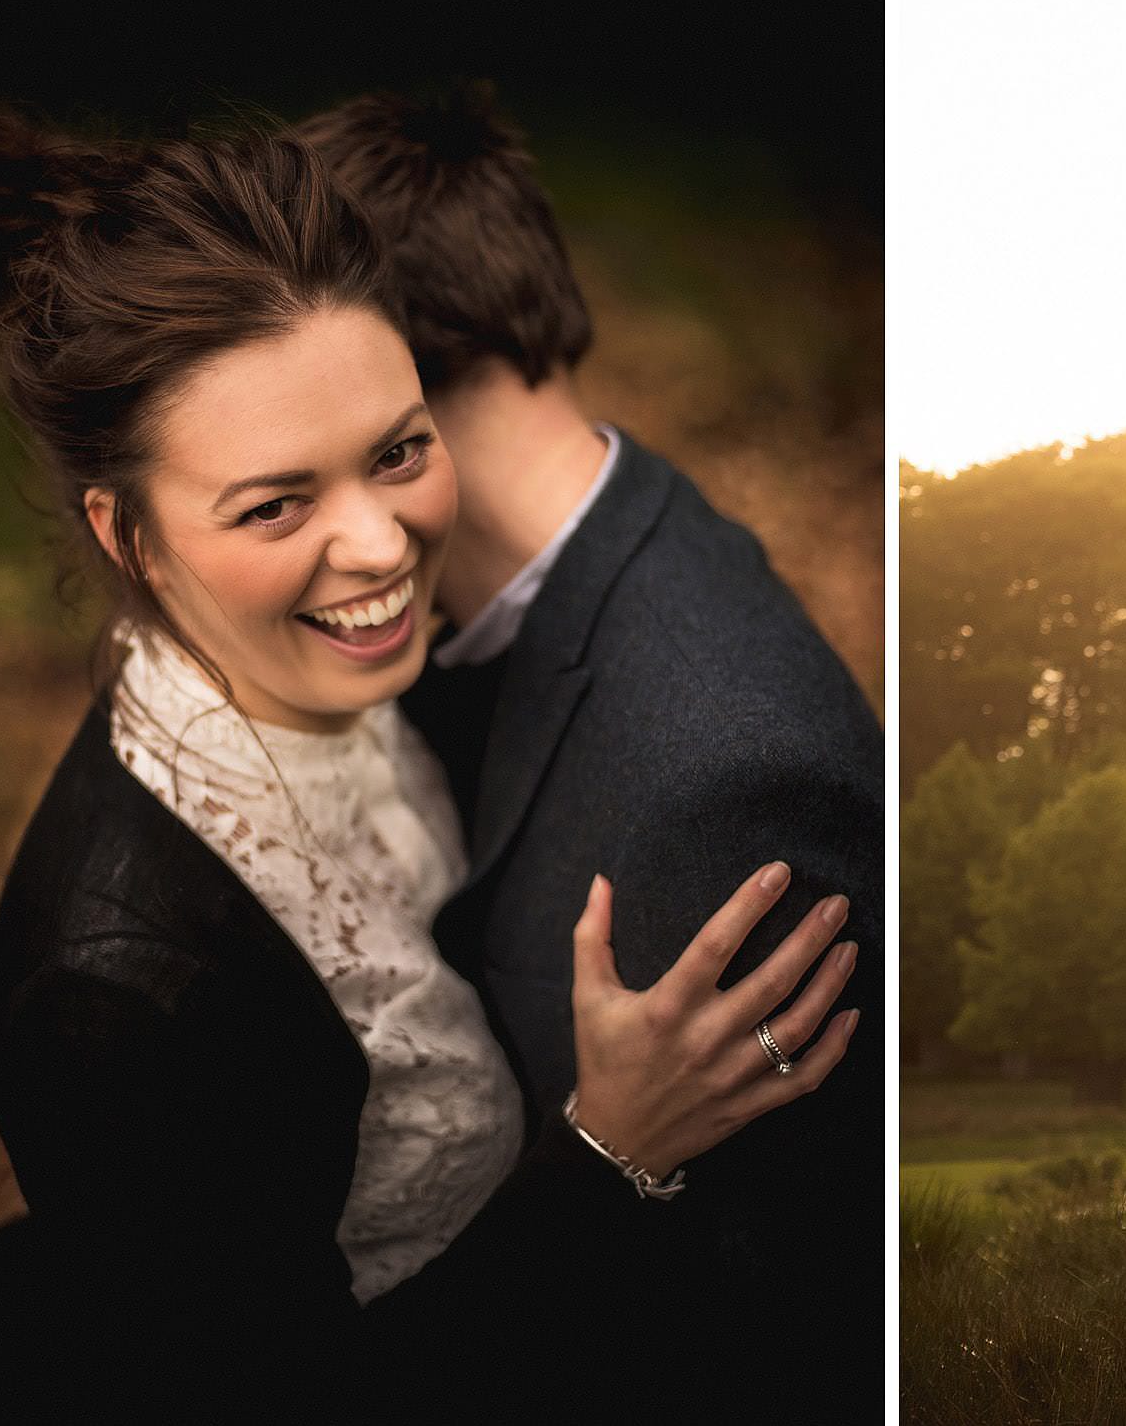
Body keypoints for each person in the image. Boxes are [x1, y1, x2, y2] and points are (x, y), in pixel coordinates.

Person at [0, 115, 858, 1418]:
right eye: (276, 503)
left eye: (398, 449)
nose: (379, 546)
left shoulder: (329, 674)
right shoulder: (117, 989)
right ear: (126, 535)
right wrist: (606, 1147)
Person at [295, 86, 885, 1403]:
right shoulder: (551, 565)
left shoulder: (730, 780)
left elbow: (759, 1323)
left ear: (375, 366)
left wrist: (604, 1150)